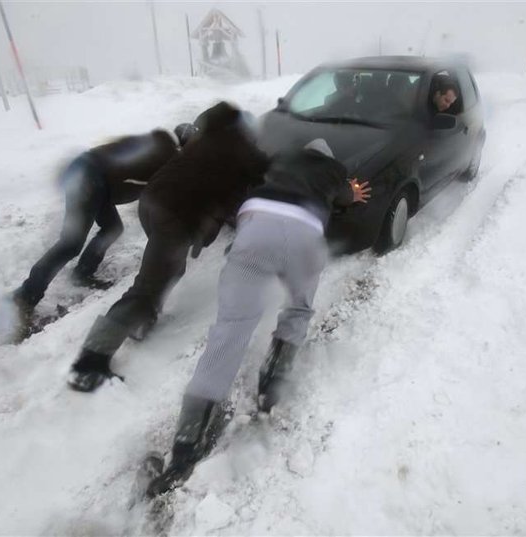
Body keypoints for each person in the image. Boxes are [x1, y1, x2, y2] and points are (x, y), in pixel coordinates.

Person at [145, 138, 371, 497]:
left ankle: (185, 448)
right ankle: (271, 386)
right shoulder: (333, 171)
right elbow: (345, 199)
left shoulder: (277, 166)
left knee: (230, 330)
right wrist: (350, 195)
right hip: (304, 233)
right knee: (298, 307)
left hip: (256, 228)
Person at [67, 102, 269, 393]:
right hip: (174, 215)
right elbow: (269, 173)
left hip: (152, 204)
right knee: (146, 289)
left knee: (170, 268)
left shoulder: (207, 139)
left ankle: (141, 321)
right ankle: (89, 362)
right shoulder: (244, 151)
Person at [12, 124, 198, 320]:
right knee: (71, 244)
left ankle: (83, 272)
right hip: (89, 177)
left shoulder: (158, 143)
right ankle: (25, 296)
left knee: (112, 227)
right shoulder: (167, 158)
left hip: (92, 174)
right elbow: (160, 201)